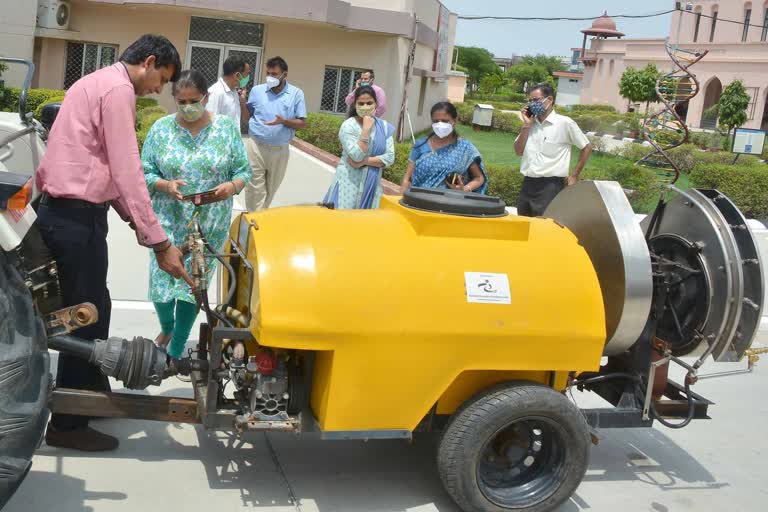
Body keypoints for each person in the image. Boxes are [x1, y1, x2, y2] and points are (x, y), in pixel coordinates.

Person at [35, 34, 192, 452]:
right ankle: (68, 424)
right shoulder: (120, 89)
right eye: (163, 78)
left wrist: (135, 224)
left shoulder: (96, 81)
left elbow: (105, 167)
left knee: (95, 307)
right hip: (75, 218)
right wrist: (159, 242)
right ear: (150, 61)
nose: (159, 88)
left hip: (68, 214)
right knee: (82, 316)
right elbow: (126, 169)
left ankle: (90, 395)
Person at [142, 69, 251, 359]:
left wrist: (231, 185)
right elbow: (145, 170)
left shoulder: (226, 129)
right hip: (168, 219)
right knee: (162, 283)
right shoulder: (161, 129)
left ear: (205, 97)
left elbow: (244, 170)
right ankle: (167, 326)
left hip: (209, 222)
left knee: (194, 284)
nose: (188, 107)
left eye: (194, 100)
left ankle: (176, 349)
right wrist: (165, 184)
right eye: (181, 101)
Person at [514, 83, 592, 217]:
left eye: (536, 100)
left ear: (549, 100)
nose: (532, 104)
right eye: (530, 101)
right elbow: (518, 151)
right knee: (524, 226)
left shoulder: (565, 123)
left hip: (550, 187)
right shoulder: (530, 123)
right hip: (528, 184)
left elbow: (586, 147)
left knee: (543, 229)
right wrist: (526, 126)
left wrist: (574, 175)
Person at [245, 56, 306, 211]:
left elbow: (301, 123)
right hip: (256, 146)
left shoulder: (296, 94)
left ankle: (260, 215)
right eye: (268, 73)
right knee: (254, 188)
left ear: (284, 75)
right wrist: (241, 101)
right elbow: (249, 115)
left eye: (274, 74)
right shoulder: (257, 91)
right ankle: (254, 219)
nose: (270, 77)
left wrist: (283, 121)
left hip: (280, 150)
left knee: (271, 189)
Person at [323, 86, 395, 209]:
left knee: (367, 224)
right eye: (361, 103)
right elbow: (356, 155)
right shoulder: (348, 126)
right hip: (349, 183)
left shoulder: (384, 127)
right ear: (354, 105)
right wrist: (366, 130)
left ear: (376, 104)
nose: (365, 107)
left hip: (372, 186)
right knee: (344, 222)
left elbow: (389, 158)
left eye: (369, 103)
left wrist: (363, 162)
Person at [400, 102, 487, 194]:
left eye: (445, 121)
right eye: (436, 121)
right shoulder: (420, 145)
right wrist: (401, 198)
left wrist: (464, 189)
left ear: (455, 121)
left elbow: (479, 178)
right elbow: (407, 178)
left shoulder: (465, 148)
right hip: (417, 201)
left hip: (448, 204)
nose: (440, 124)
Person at [206, 55, 251, 129]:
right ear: (237, 75)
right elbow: (209, 124)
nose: (248, 77)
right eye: (247, 74)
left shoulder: (234, 92)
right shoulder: (215, 93)